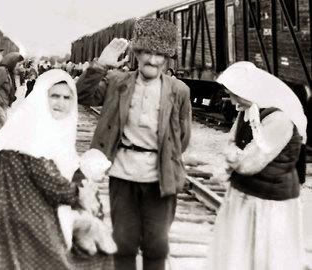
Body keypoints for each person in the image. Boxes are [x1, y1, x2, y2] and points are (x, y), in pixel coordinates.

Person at [76, 17, 191, 270]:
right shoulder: (118, 82)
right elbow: (82, 96)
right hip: (123, 175)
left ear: (167, 58)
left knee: (157, 245)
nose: (152, 60)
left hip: (160, 177)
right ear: (136, 54)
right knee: (123, 242)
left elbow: (182, 138)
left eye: (159, 54)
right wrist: (100, 66)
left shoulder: (179, 90)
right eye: (147, 53)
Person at [0, 69, 112, 269]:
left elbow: (67, 173)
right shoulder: (29, 132)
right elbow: (47, 179)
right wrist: (80, 195)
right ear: (41, 97)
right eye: (54, 96)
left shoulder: (58, 131)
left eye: (67, 98)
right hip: (21, 216)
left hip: (39, 210)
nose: (61, 103)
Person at [206, 62, 307, 270]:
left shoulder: (279, 119)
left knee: (266, 258)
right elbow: (230, 145)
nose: (232, 101)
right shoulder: (249, 110)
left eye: (235, 94)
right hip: (245, 196)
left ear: (249, 90)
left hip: (270, 203)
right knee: (240, 257)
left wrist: (234, 158)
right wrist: (234, 156)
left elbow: (248, 164)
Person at [0, 52, 24, 131]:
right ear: (13, 63)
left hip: (2, 107)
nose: (20, 67)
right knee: (1, 133)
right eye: (19, 64)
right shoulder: (1, 71)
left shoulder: (8, 73)